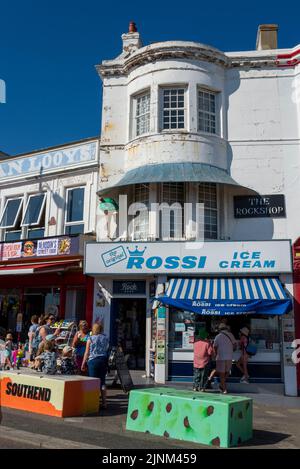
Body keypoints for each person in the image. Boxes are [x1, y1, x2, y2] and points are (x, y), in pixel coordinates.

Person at [81, 322, 109, 409]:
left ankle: (93, 402)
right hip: (103, 360)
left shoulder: (90, 339)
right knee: (102, 382)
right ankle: (104, 402)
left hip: (93, 361)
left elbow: (87, 352)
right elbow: (107, 349)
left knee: (93, 381)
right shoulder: (105, 338)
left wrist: (83, 363)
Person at [213, 323, 237, 394]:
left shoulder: (218, 336)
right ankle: (222, 385)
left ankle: (224, 389)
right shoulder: (231, 335)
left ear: (220, 329)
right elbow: (235, 346)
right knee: (226, 373)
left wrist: (215, 355)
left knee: (222, 375)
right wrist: (231, 350)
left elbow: (215, 347)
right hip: (229, 357)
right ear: (226, 328)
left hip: (221, 357)